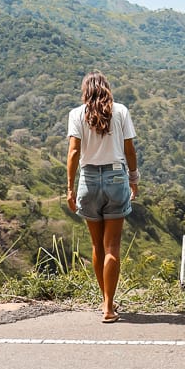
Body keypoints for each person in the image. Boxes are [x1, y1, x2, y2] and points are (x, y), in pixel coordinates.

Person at [66, 71, 139, 322]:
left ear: (86, 90)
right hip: (116, 177)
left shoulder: (77, 114)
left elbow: (74, 152)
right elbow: (130, 150)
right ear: (106, 88)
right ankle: (109, 305)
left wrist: (69, 187)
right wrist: (134, 179)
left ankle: (105, 301)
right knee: (112, 247)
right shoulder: (120, 111)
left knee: (97, 246)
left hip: (88, 179)